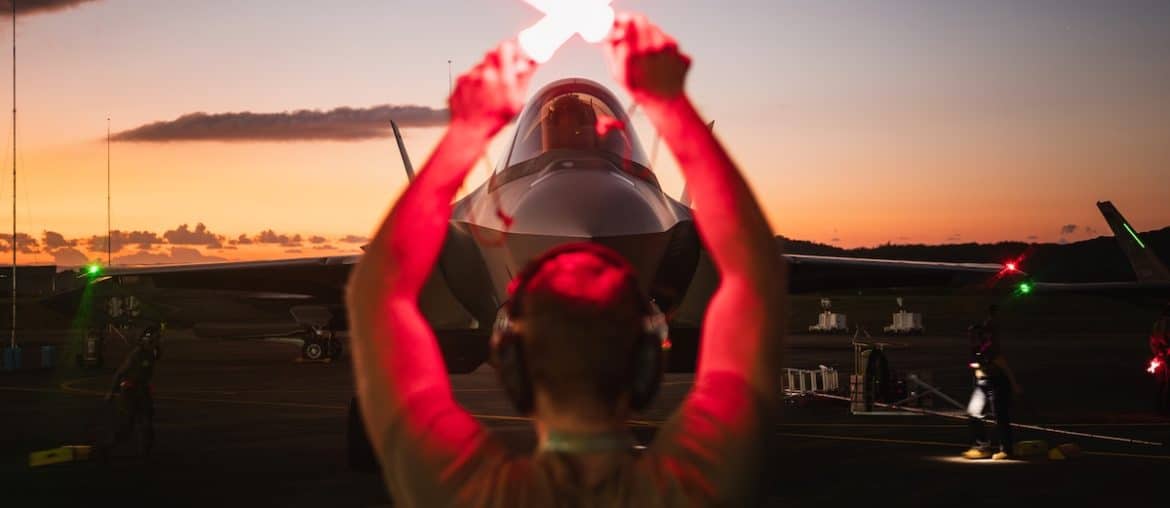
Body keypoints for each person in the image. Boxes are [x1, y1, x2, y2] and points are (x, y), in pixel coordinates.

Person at [346, 13, 786, 507]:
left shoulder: (466, 493)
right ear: (645, 365)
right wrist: (672, 104)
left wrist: (467, 129)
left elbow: (374, 295)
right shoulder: (692, 490)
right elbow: (758, 280)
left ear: (514, 368)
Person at [962, 305, 1021, 460]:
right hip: (982, 383)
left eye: (973, 335)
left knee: (1000, 416)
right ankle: (982, 446)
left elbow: (1004, 366)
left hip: (997, 383)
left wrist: (1014, 385)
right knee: (973, 413)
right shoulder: (976, 349)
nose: (971, 338)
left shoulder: (990, 348)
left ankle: (1006, 449)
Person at [99, 325, 162, 458]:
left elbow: (157, 354)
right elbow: (120, 373)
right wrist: (111, 392)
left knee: (147, 424)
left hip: (143, 391)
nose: (157, 342)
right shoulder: (136, 355)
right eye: (155, 339)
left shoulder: (152, 352)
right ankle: (107, 447)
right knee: (127, 427)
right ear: (147, 340)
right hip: (130, 392)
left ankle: (144, 454)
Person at [1150, 303, 1170, 415]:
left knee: (1161, 383)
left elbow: (1152, 340)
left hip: (1159, 356)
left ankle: (1159, 409)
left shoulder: (1157, 324)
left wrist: (1157, 353)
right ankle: (1166, 409)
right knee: (1167, 383)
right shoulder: (1166, 323)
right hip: (1166, 356)